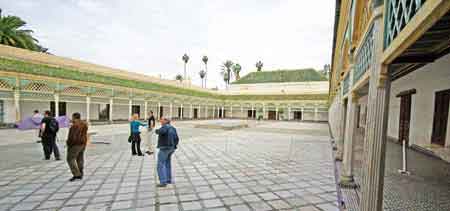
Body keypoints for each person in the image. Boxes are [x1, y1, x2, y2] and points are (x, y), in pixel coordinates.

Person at [155, 116, 179, 187]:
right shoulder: (173, 128)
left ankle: (163, 182)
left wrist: (156, 130)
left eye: (161, 120)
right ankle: (168, 179)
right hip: (171, 148)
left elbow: (160, 131)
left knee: (160, 164)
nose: (160, 121)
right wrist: (174, 146)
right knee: (167, 163)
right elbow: (177, 138)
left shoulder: (165, 127)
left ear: (165, 121)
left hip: (164, 148)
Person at [66, 112, 88, 182]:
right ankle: (81, 172)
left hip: (75, 144)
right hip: (83, 143)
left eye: (72, 117)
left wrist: (68, 143)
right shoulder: (84, 124)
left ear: (74, 117)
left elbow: (73, 137)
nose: (71, 119)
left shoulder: (74, 126)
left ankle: (76, 174)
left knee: (70, 159)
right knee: (80, 158)